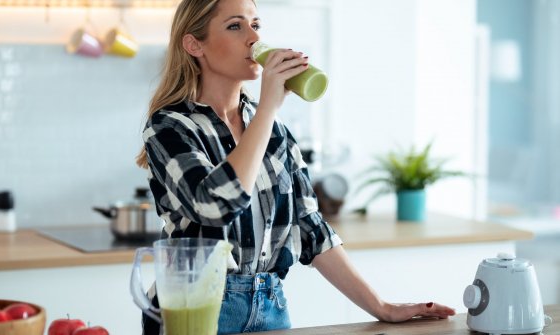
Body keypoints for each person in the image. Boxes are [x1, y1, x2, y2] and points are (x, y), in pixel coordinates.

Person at [136, 0, 456, 333]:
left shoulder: (274, 131)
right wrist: (268, 108)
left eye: (256, 25)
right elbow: (215, 206)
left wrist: (382, 307)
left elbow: (311, 230)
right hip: (196, 306)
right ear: (194, 44)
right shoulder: (169, 126)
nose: (252, 37)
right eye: (235, 26)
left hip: (269, 303)